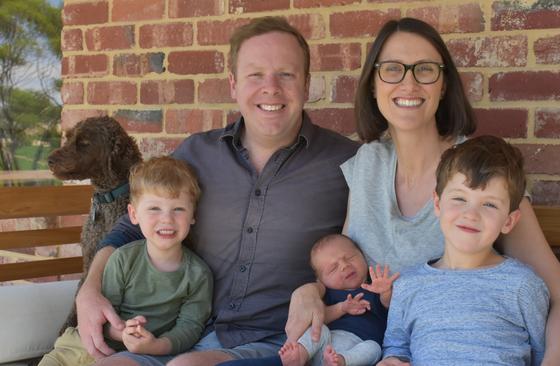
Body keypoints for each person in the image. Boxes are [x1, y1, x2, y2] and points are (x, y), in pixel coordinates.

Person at [286, 17, 560, 365]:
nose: (409, 82)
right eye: (393, 69)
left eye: (425, 69)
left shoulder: (479, 174)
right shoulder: (367, 164)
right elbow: (341, 265)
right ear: (372, 83)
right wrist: (311, 290)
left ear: (443, 85)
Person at [74, 17, 359, 366]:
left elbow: (367, 257)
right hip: (174, 333)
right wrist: (89, 291)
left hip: (275, 343)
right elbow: (133, 225)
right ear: (233, 85)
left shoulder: (347, 163)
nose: (270, 87)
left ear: (306, 84)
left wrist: (315, 289)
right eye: (255, 75)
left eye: (286, 74)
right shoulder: (196, 154)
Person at [380, 135, 549, 366]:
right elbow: (397, 346)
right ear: (437, 205)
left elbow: (542, 354)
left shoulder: (522, 285)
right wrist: (391, 360)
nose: (471, 214)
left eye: (489, 204)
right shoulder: (408, 285)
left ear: (509, 221)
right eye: (460, 198)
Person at [40, 156, 213, 366]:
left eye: (178, 209)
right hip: (82, 344)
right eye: (154, 209)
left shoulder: (198, 274)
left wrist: (156, 345)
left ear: (193, 215)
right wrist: (124, 332)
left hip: (135, 357)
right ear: (133, 214)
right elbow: (101, 316)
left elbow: (190, 328)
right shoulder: (122, 259)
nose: (167, 219)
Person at [222, 234, 397, 366]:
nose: (344, 265)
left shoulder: (373, 288)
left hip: (356, 349)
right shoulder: (329, 294)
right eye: (333, 268)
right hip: (322, 347)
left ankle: (340, 362)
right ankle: (300, 355)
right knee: (319, 329)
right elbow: (319, 317)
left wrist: (385, 291)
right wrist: (342, 308)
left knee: (373, 348)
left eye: (350, 257)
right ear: (321, 280)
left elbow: (389, 307)